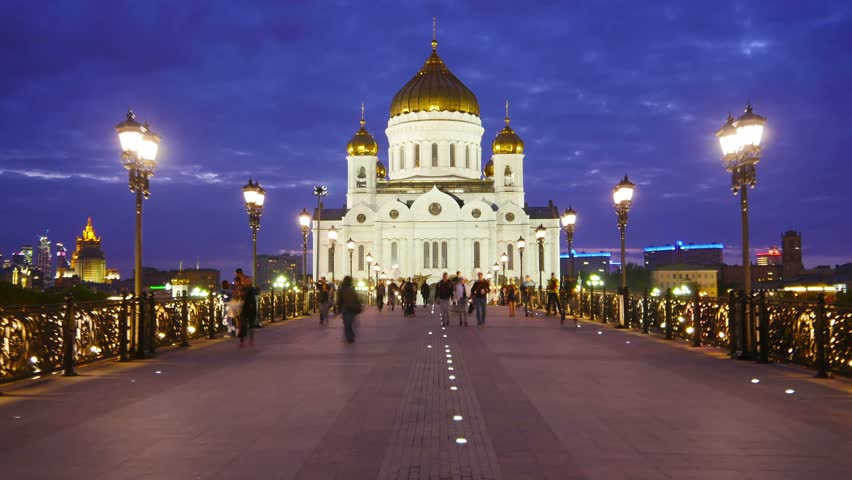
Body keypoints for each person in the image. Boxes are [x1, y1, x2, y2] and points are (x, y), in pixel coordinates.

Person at [336, 275, 361, 343]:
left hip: (346, 308)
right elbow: (356, 298)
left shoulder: (342, 289)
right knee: (349, 323)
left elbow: (339, 300)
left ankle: (349, 336)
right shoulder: (352, 288)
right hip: (352, 308)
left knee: (347, 323)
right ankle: (350, 336)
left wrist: (338, 309)